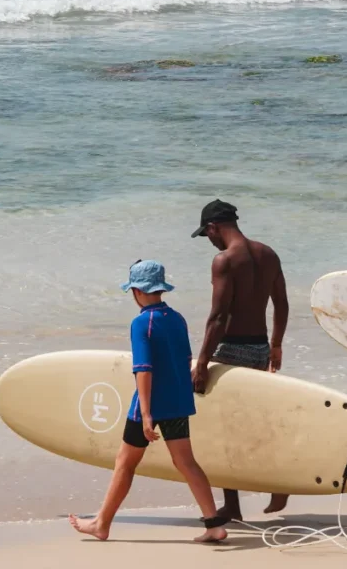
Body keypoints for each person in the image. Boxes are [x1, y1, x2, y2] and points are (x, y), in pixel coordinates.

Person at [69, 260, 228, 543]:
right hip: (178, 402)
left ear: (137, 291)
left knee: (125, 463)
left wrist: (145, 413)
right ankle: (214, 524)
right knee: (187, 463)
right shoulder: (177, 318)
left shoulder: (143, 322)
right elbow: (183, 361)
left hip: (151, 405)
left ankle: (101, 524)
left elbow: (143, 368)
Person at [190, 199, 290, 520]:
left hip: (230, 350)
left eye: (207, 235)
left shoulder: (225, 261)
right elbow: (282, 303)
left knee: (223, 429)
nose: (210, 242)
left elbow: (218, 317)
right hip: (259, 347)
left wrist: (203, 362)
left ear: (213, 228)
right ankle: (277, 481)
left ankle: (232, 506)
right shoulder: (268, 254)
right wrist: (276, 345)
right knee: (254, 420)